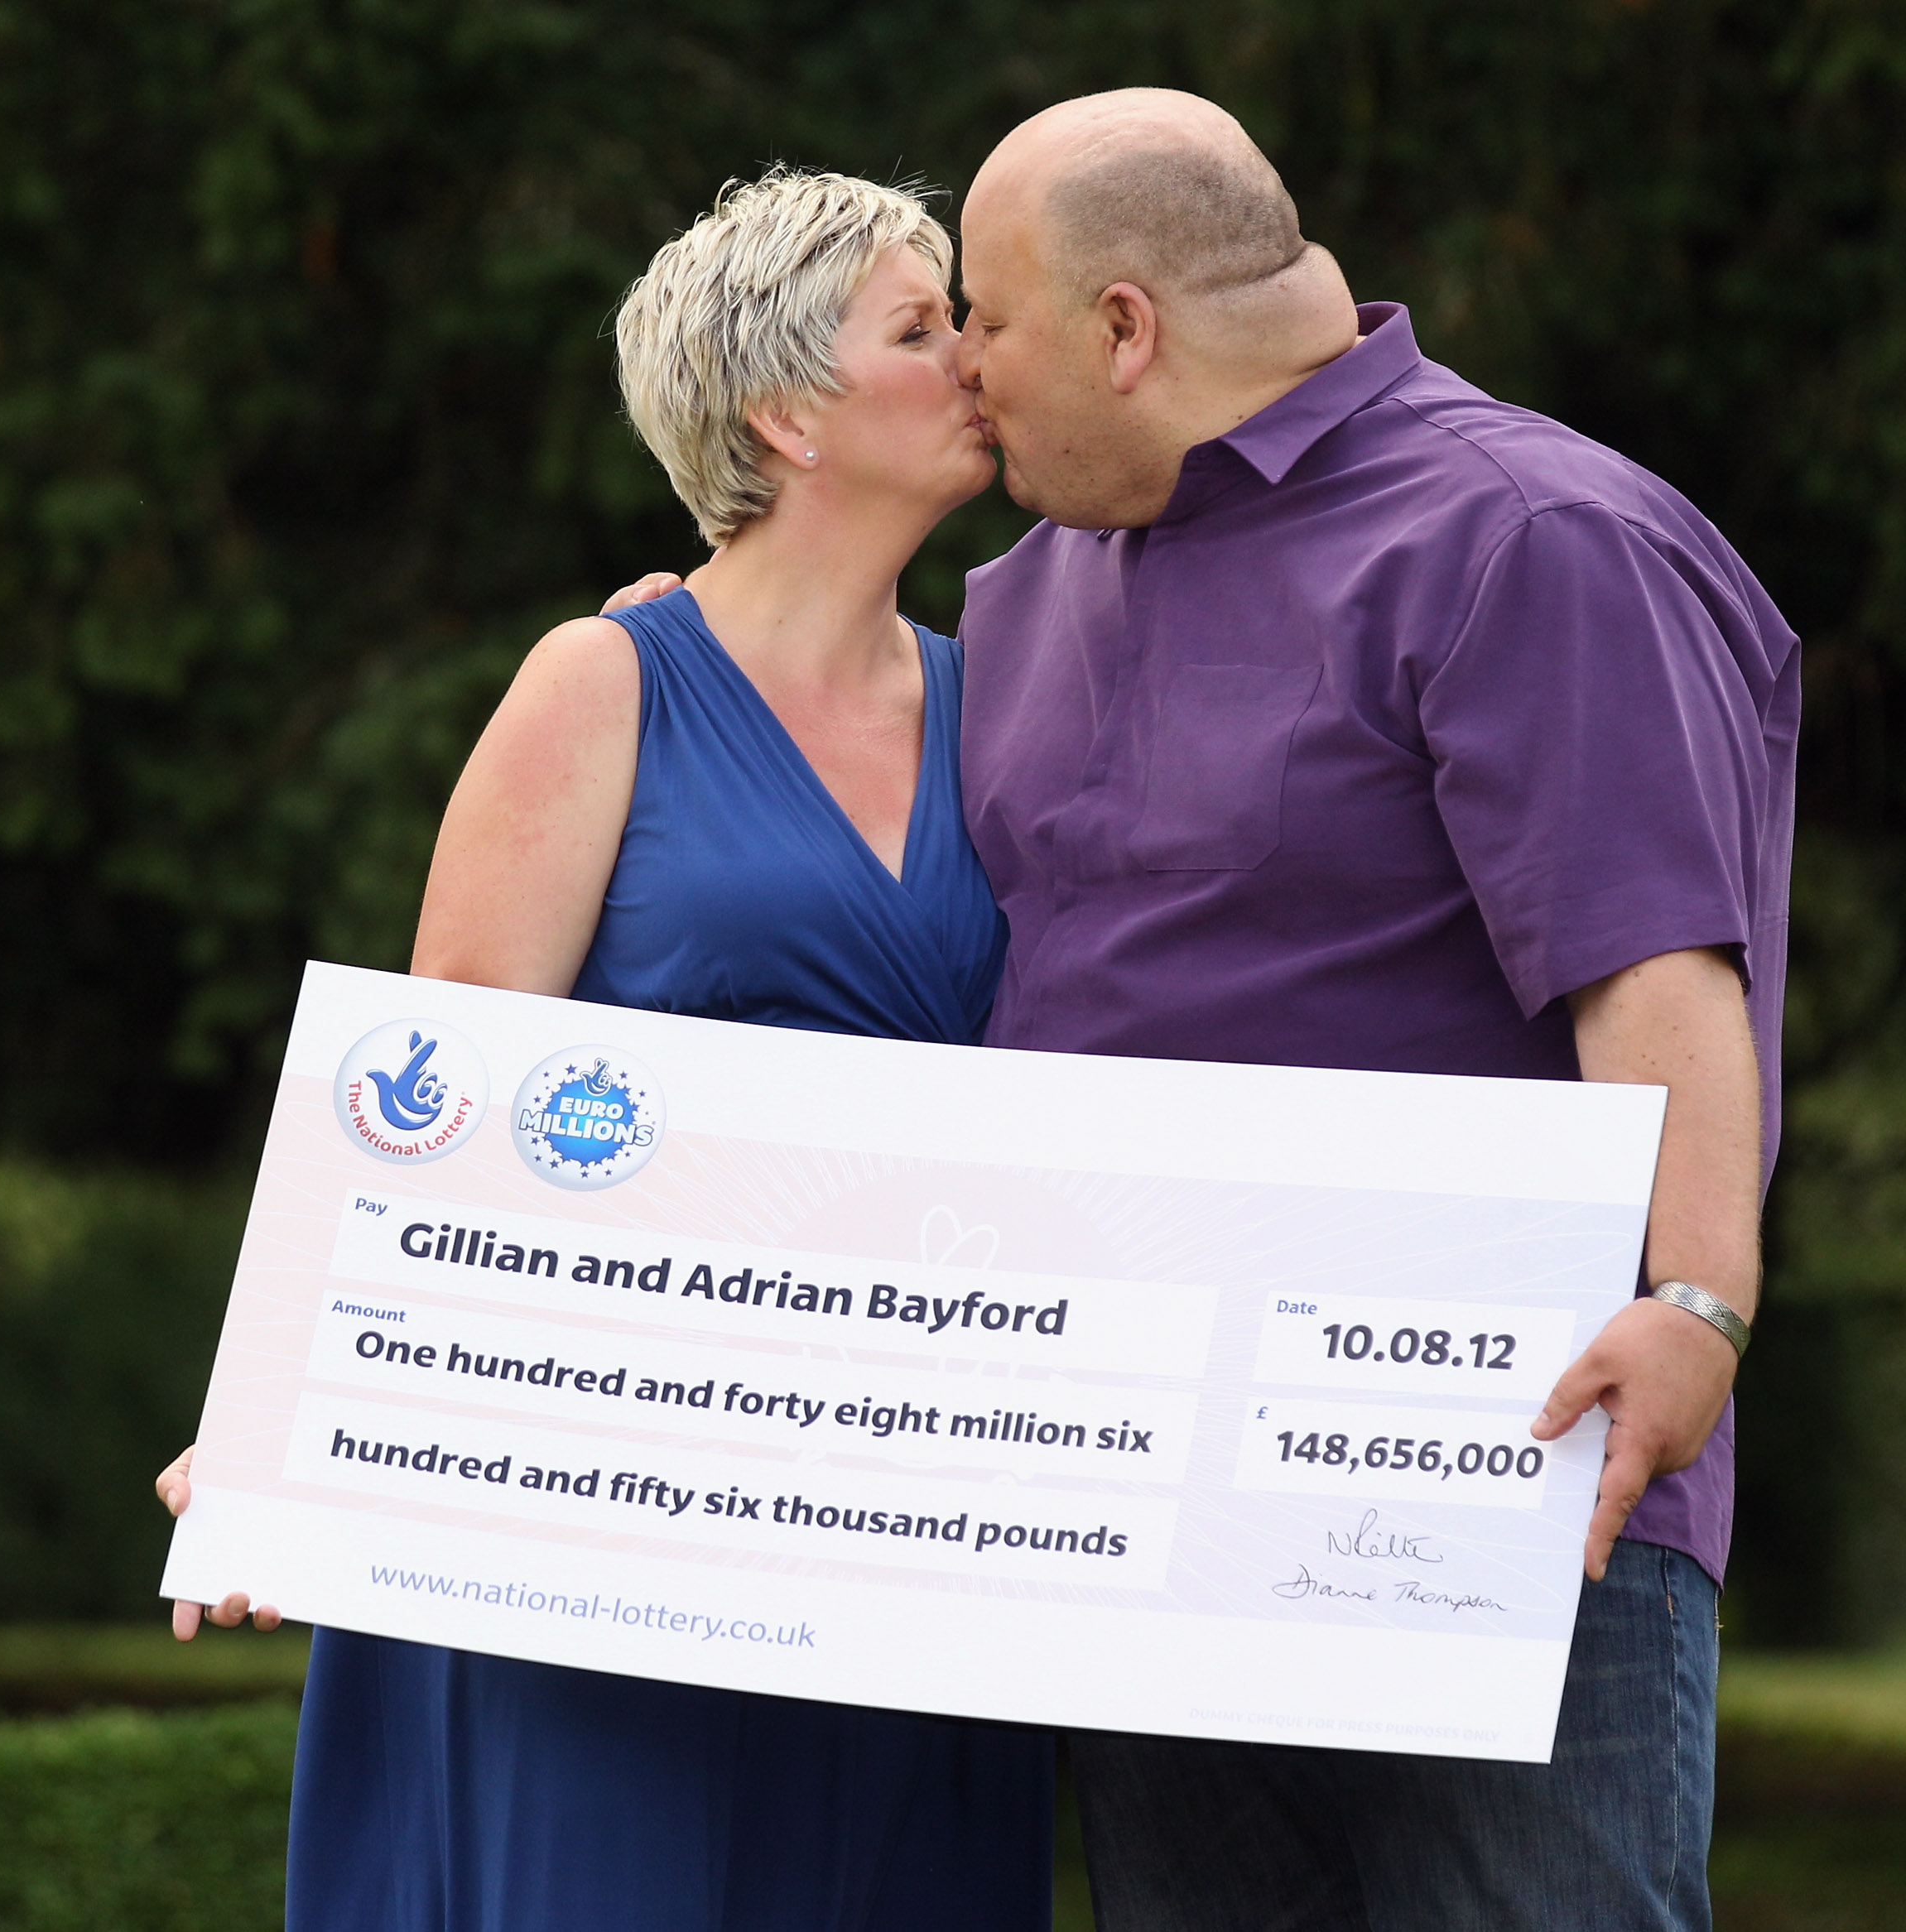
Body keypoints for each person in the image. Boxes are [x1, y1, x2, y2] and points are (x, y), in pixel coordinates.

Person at [609, 84, 1791, 1932]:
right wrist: (671, 655)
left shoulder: (1524, 539)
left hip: (1493, 1483)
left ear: (1124, 328)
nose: (972, 378)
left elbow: (1655, 962)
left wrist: (1699, 1300)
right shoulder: (1024, 595)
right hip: (1130, 1491)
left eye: (979, 323)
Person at [155, 170, 1052, 1932]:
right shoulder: (599, 683)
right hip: (595, 1528)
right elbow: (430, 1104)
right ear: (786, 409)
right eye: (919, 323)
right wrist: (285, 1414)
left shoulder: (1005, 703)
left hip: (894, 1522)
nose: (975, 356)